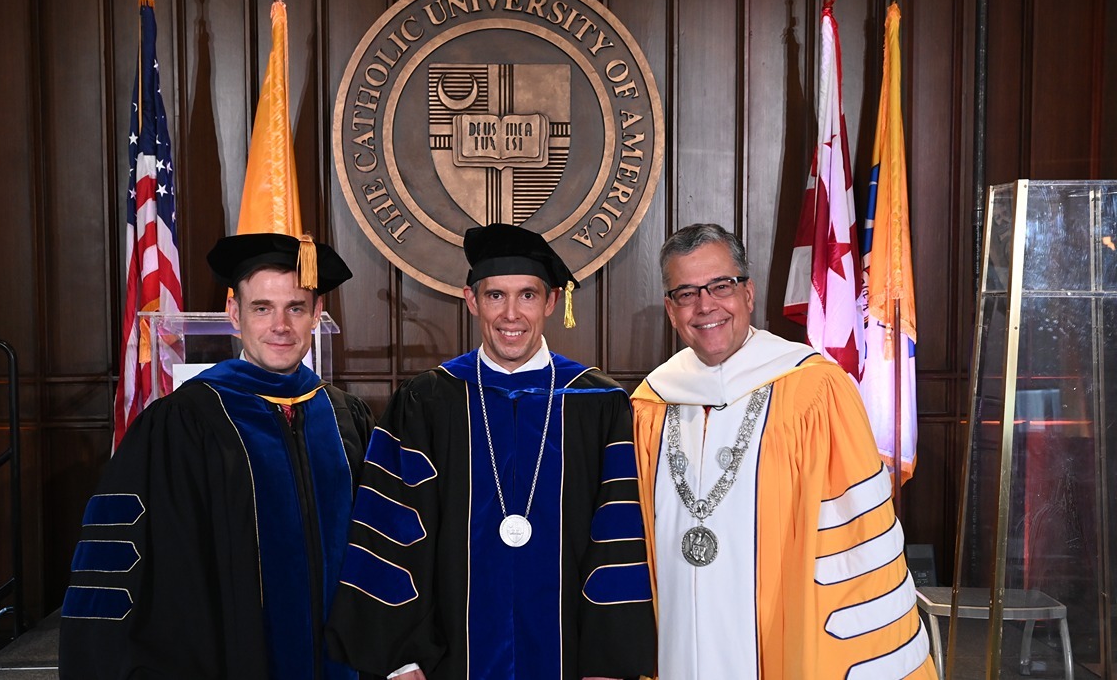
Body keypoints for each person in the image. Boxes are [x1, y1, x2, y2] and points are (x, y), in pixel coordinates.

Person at [327, 223, 656, 680]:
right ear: (472, 300)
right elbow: (390, 528)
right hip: (449, 660)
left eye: (527, 295)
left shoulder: (598, 404)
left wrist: (608, 661)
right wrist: (402, 658)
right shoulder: (427, 402)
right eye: (495, 296)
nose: (511, 314)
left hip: (571, 659)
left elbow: (618, 537)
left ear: (551, 302)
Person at [59, 233, 373, 680]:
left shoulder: (348, 420)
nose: (279, 325)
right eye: (262, 308)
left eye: (296, 308)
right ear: (233, 314)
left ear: (317, 316)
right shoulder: (183, 423)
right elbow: (155, 573)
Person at [630, 223, 936, 679]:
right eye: (687, 293)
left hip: (784, 632)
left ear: (748, 294)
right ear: (671, 311)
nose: (705, 305)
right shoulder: (650, 403)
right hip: (679, 633)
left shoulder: (816, 389)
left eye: (720, 286)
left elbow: (855, 535)